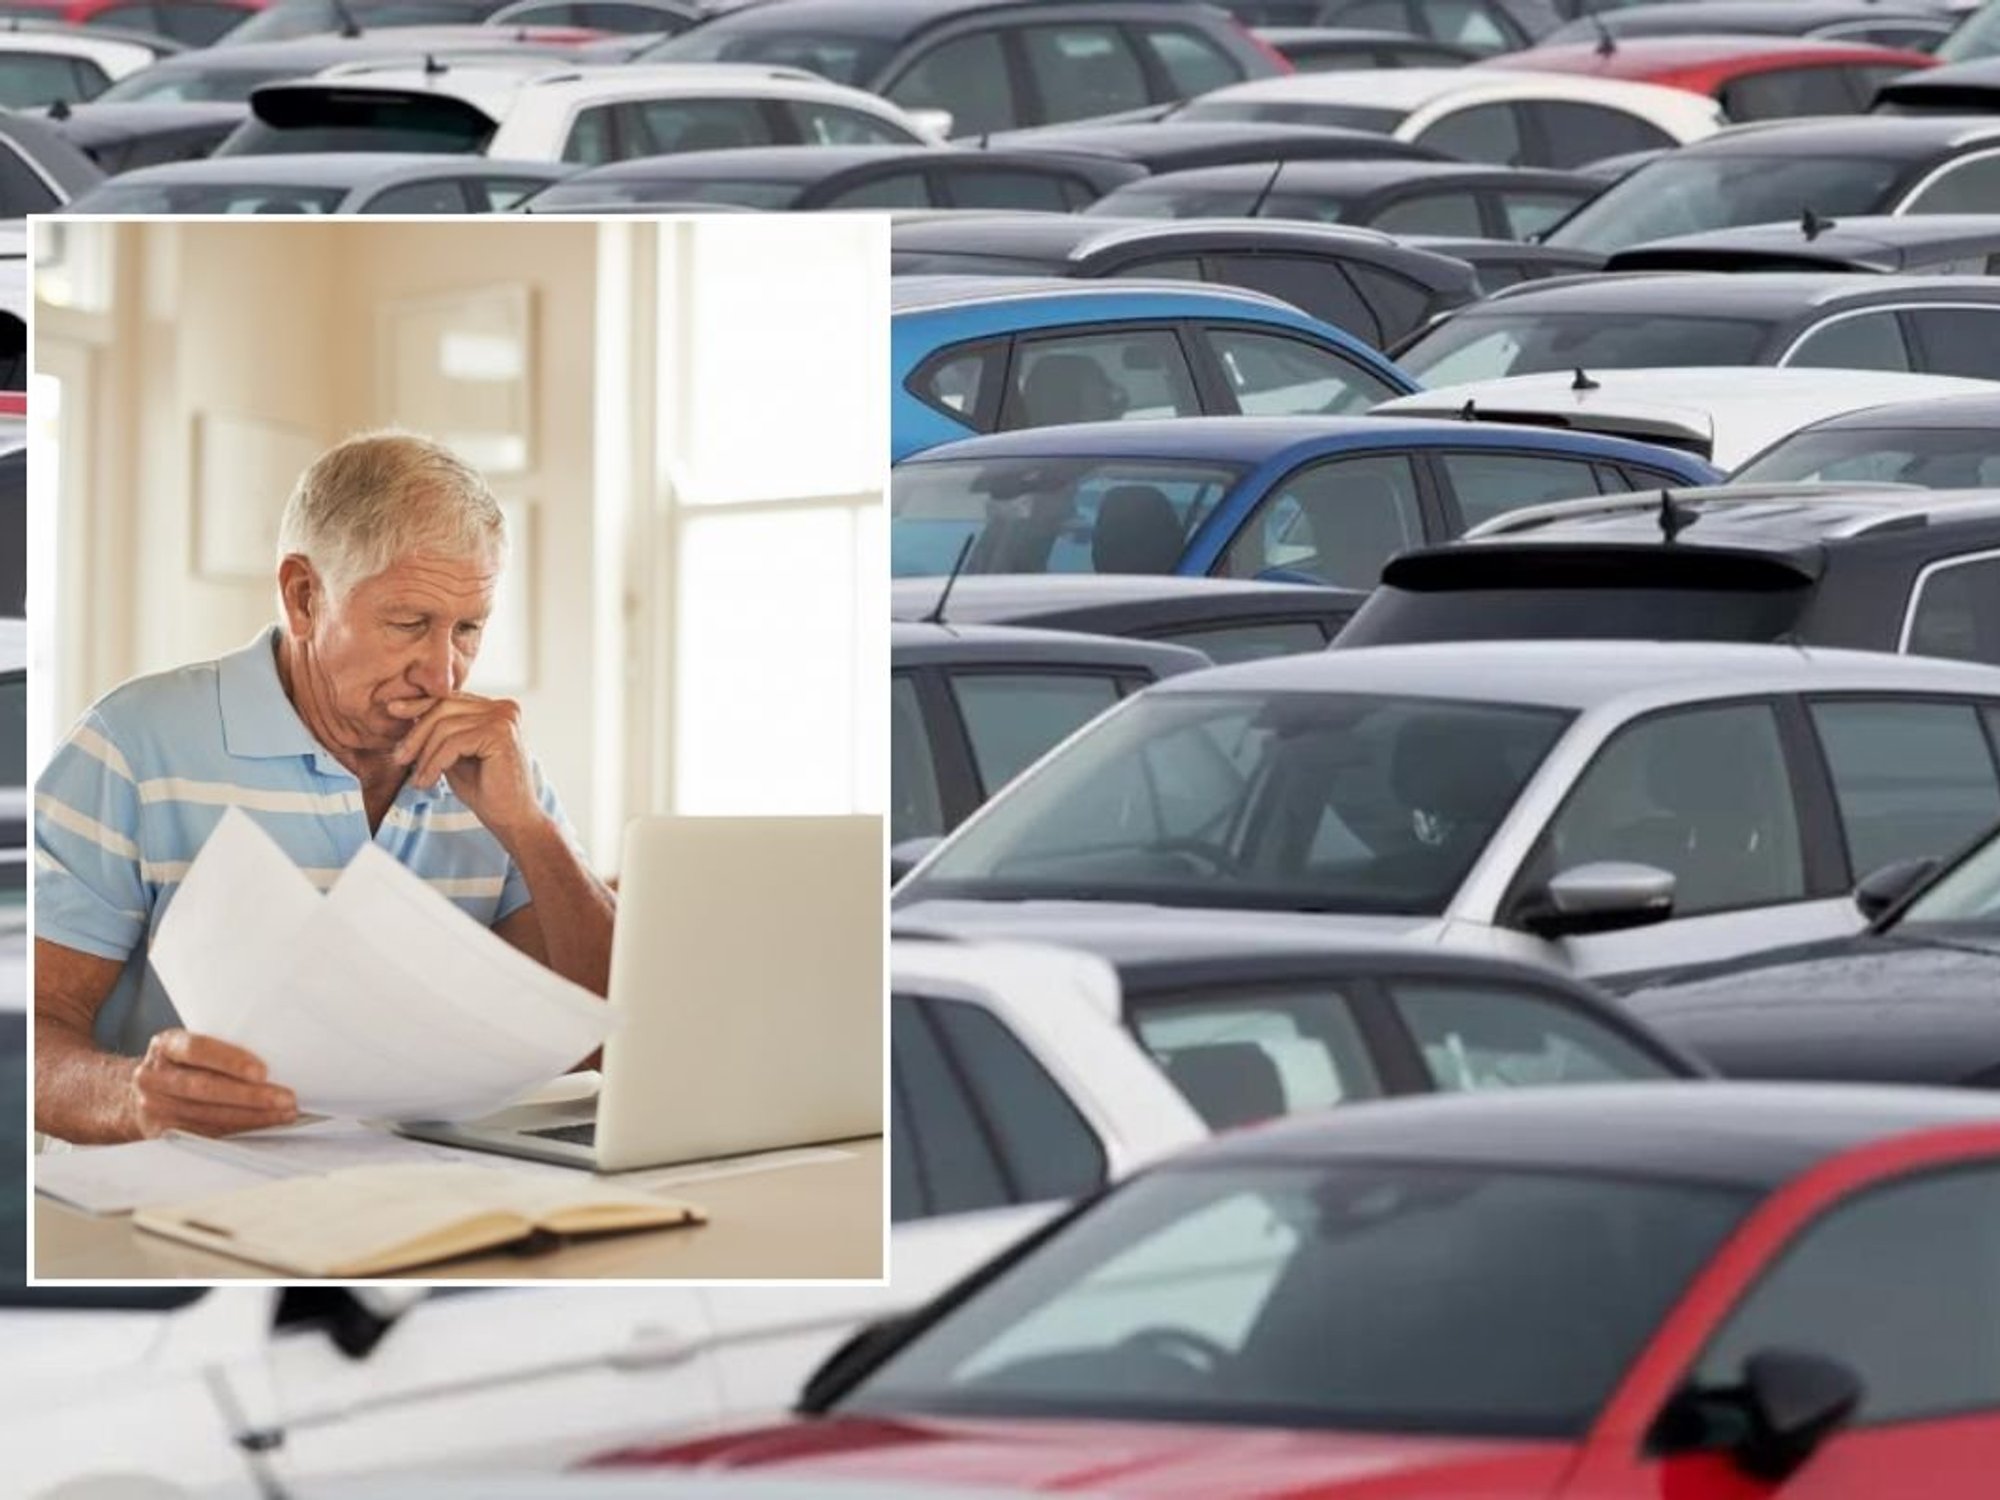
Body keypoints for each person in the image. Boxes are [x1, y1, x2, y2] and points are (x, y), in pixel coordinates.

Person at [34, 431, 614, 1145]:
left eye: (468, 628)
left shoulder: (495, 766)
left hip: (433, 1199)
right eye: (409, 625)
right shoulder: (130, 744)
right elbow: (30, 1032)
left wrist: (530, 830)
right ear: (303, 597)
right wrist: (136, 1098)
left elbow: (607, 1044)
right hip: (180, 1203)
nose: (444, 673)